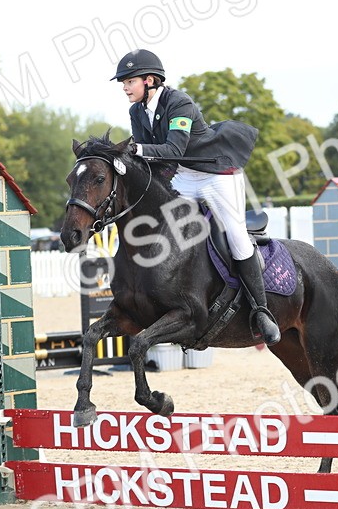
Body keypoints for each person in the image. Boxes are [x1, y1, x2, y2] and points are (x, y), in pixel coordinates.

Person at [113, 49, 281, 345]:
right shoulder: (136, 111)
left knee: (236, 235)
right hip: (183, 177)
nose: (125, 88)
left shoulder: (179, 103)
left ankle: (260, 311)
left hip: (216, 174)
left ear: (149, 80)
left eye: (129, 81)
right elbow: (151, 159)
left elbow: (173, 150)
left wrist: (135, 150)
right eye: (124, 83)